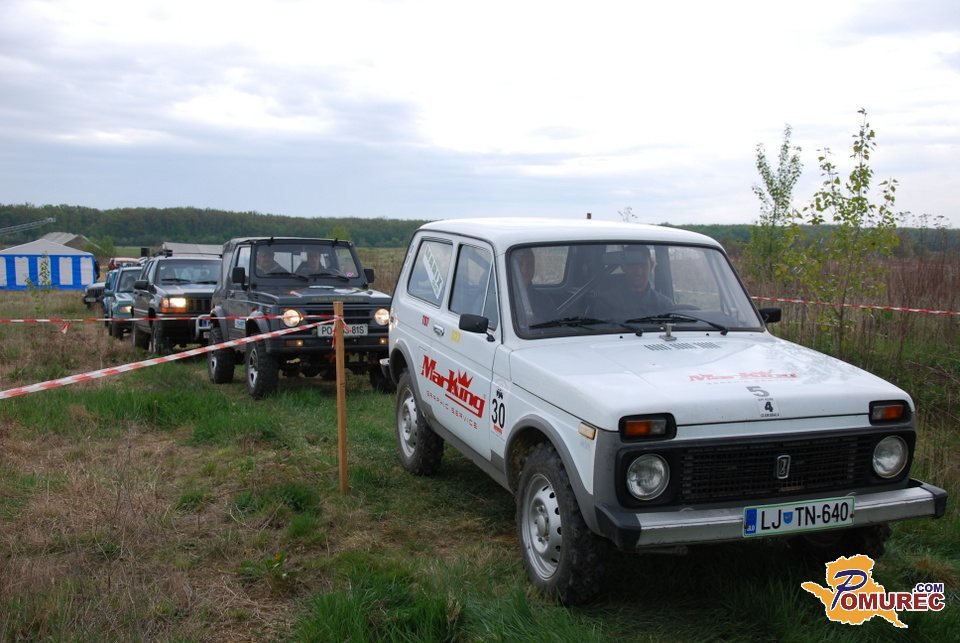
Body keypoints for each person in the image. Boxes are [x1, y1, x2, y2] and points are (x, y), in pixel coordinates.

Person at [599, 245, 672, 319]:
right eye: (632, 265)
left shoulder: (665, 306)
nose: (638, 272)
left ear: (651, 266)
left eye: (643, 265)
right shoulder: (605, 303)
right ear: (623, 267)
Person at [512, 248, 555, 325]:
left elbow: (554, 327)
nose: (525, 270)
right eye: (519, 264)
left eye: (529, 265)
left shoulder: (544, 301)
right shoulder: (497, 299)